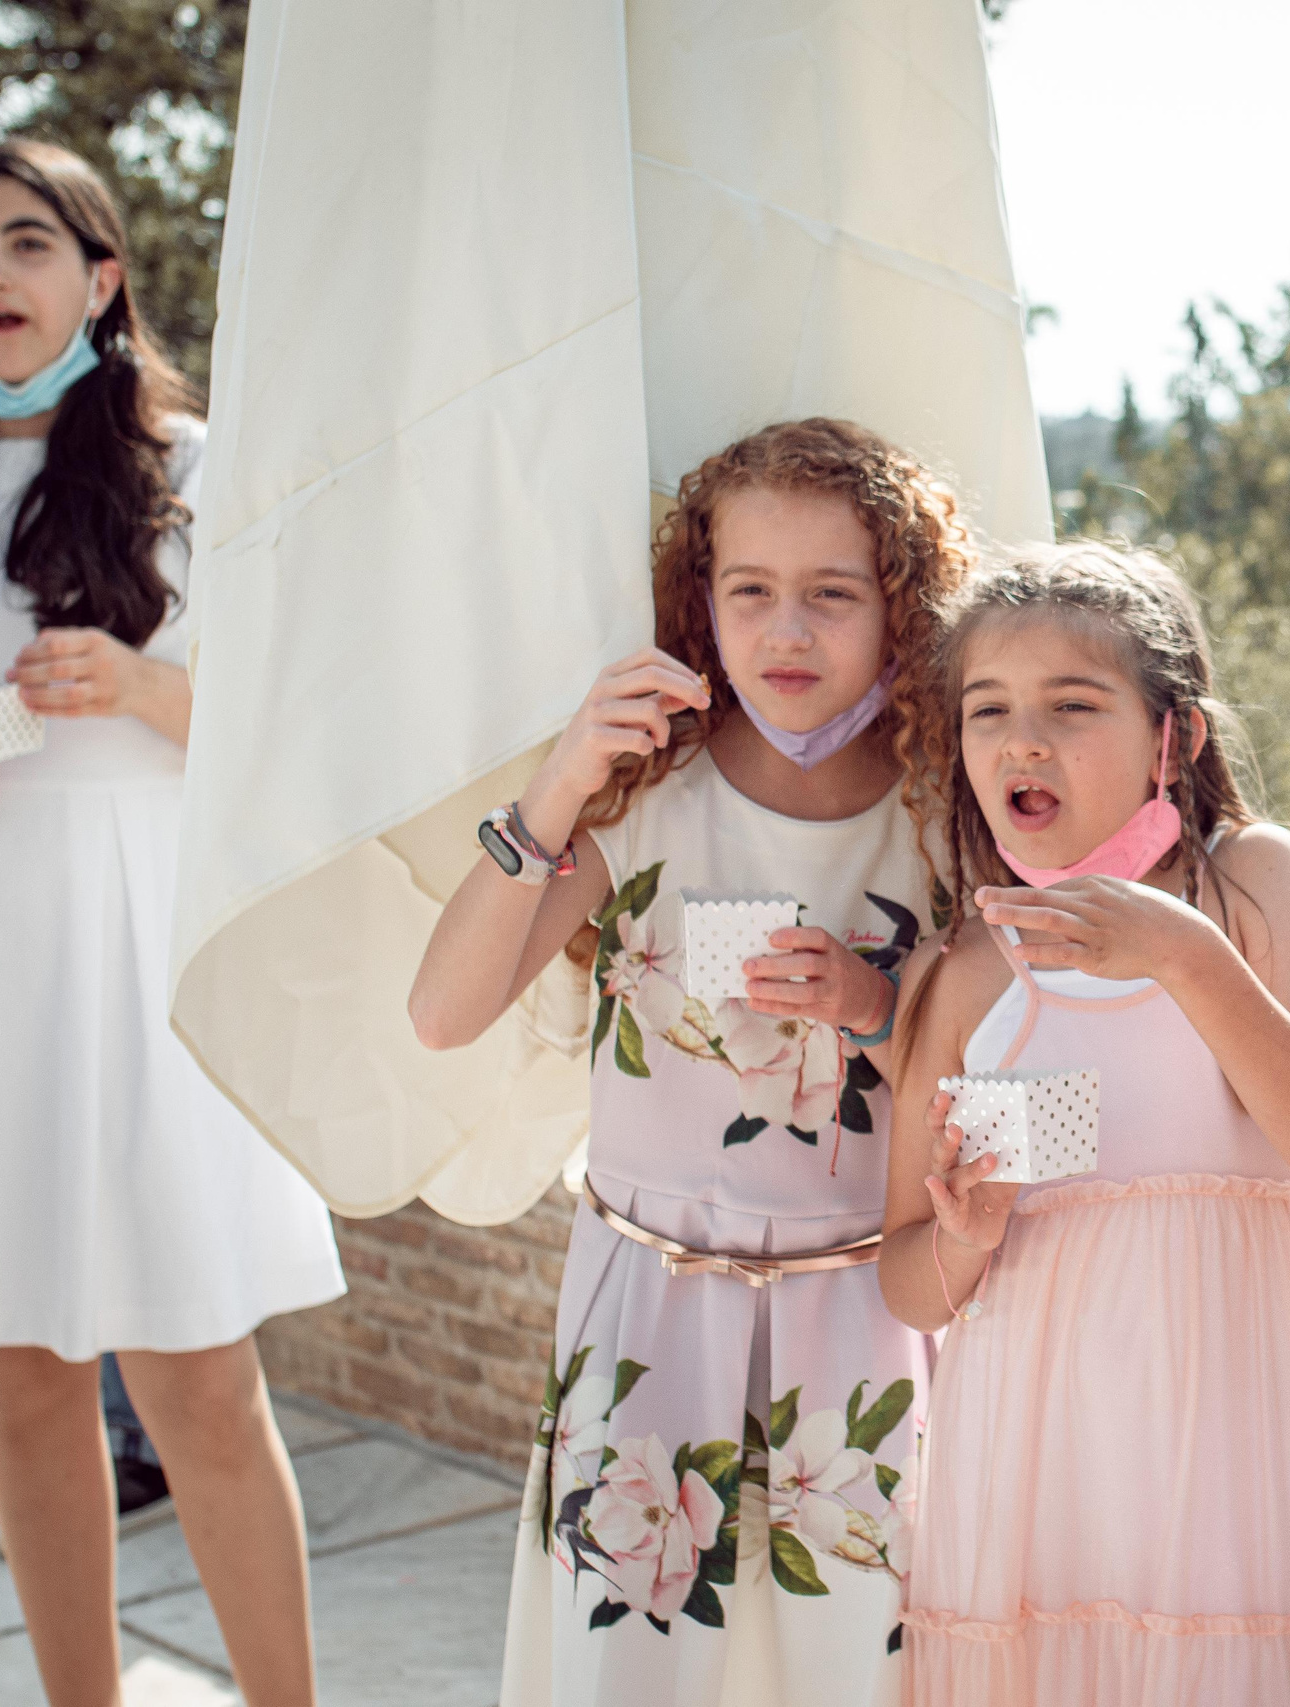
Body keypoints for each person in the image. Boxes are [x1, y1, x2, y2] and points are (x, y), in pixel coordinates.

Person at [412, 418, 969, 1706]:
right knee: (635, 1675)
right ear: (698, 603)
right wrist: (557, 785)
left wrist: (882, 1003)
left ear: (902, 612)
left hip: (870, 1322)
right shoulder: (645, 801)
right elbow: (443, 1013)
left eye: (833, 596)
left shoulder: (947, 810)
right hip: (648, 1316)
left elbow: (1013, 1064)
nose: (787, 633)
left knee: (860, 1667)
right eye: (750, 592)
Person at [0, 138, 343, 1705]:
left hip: (137, 953)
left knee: (198, 1378)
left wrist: (147, 686)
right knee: (24, 1379)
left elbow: (307, 723)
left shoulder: (201, 464)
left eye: (26, 242)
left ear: (99, 278)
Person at [884, 542, 1290, 1704]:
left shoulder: (1250, 886)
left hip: (1227, 1456)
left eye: (1073, 706)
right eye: (989, 711)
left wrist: (1180, 954)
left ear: (1179, 737)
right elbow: (906, 1279)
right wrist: (964, 1235)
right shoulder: (966, 970)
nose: (1023, 742)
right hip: (1034, 1475)